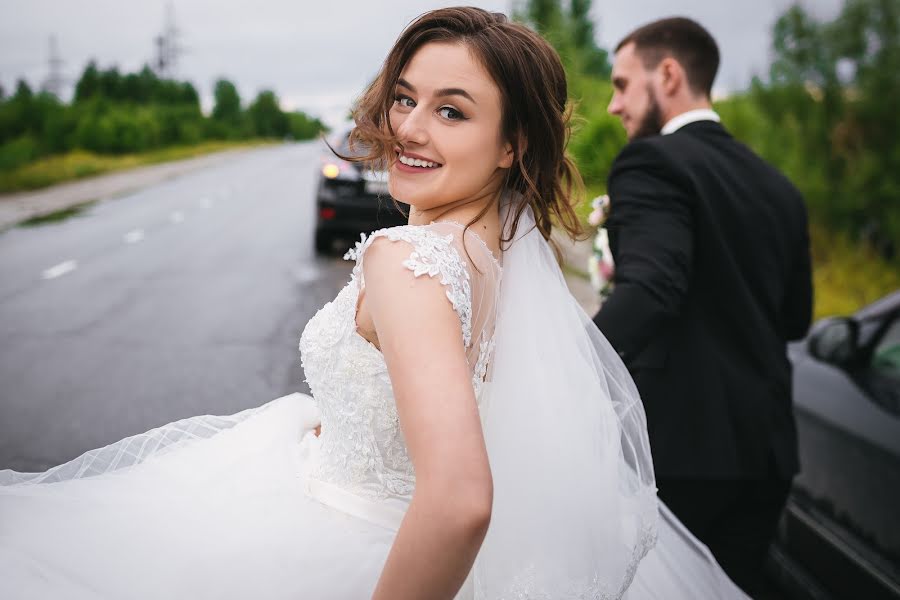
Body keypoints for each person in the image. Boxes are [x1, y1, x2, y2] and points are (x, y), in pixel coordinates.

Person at [0, 8, 747, 599]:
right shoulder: (504, 253)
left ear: (513, 143)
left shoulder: (407, 261)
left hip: (347, 550)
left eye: (452, 112)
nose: (408, 128)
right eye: (403, 98)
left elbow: (458, 501)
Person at [592, 16, 814, 597]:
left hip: (681, 448)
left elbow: (653, 289)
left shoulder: (652, 164)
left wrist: (566, 365)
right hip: (766, 456)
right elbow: (795, 318)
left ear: (668, 74)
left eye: (621, 85)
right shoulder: (778, 186)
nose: (614, 106)